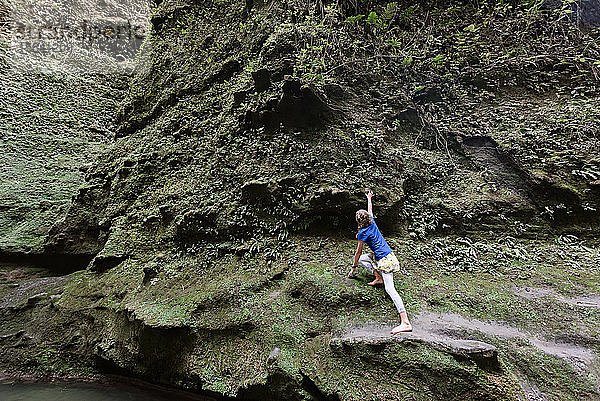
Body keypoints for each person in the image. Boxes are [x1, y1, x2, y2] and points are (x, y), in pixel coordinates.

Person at [348, 190, 412, 333]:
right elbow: (370, 210)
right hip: (386, 255)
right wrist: (369, 198)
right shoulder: (372, 221)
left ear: (358, 222)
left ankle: (405, 322)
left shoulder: (362, 232)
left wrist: (353, 268)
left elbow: (358, 252)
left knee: (391, 290)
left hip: (385, 260)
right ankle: (378, 278)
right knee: (366, 259)